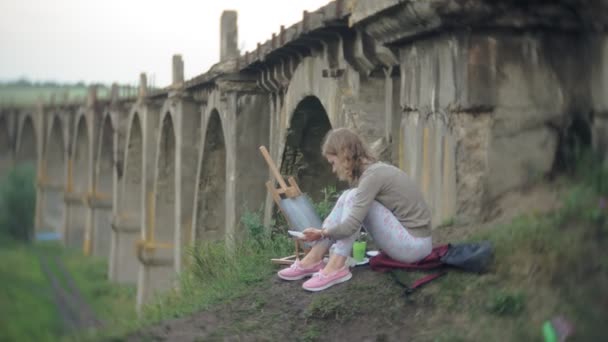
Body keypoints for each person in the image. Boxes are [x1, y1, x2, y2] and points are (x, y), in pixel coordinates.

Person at [277, 127, 433, 292]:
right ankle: (313, 258)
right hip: (413, 243)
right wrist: (323, 233)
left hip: (415, 247)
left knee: (352, 197)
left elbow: (351, 226)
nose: (333, 169)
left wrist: (322, 233)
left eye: (333, 162)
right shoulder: (373, 172)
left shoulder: (372, 176)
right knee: (348, 195)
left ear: (344, 155)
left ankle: (336, 266)